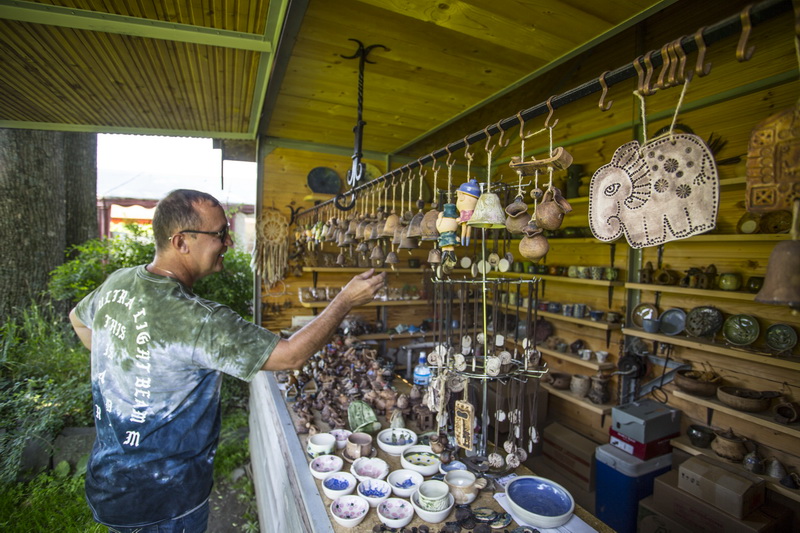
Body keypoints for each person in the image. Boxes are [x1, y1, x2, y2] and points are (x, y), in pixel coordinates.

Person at [69, 189, 385, 532]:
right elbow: (291, 356)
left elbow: (78, 319)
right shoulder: (197, 320)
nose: (228, 243)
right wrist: (344, 300)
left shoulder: (119, 282)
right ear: (181, 242)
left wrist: (127, 364)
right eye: (220, 234)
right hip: (165, 500)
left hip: (108, 482)